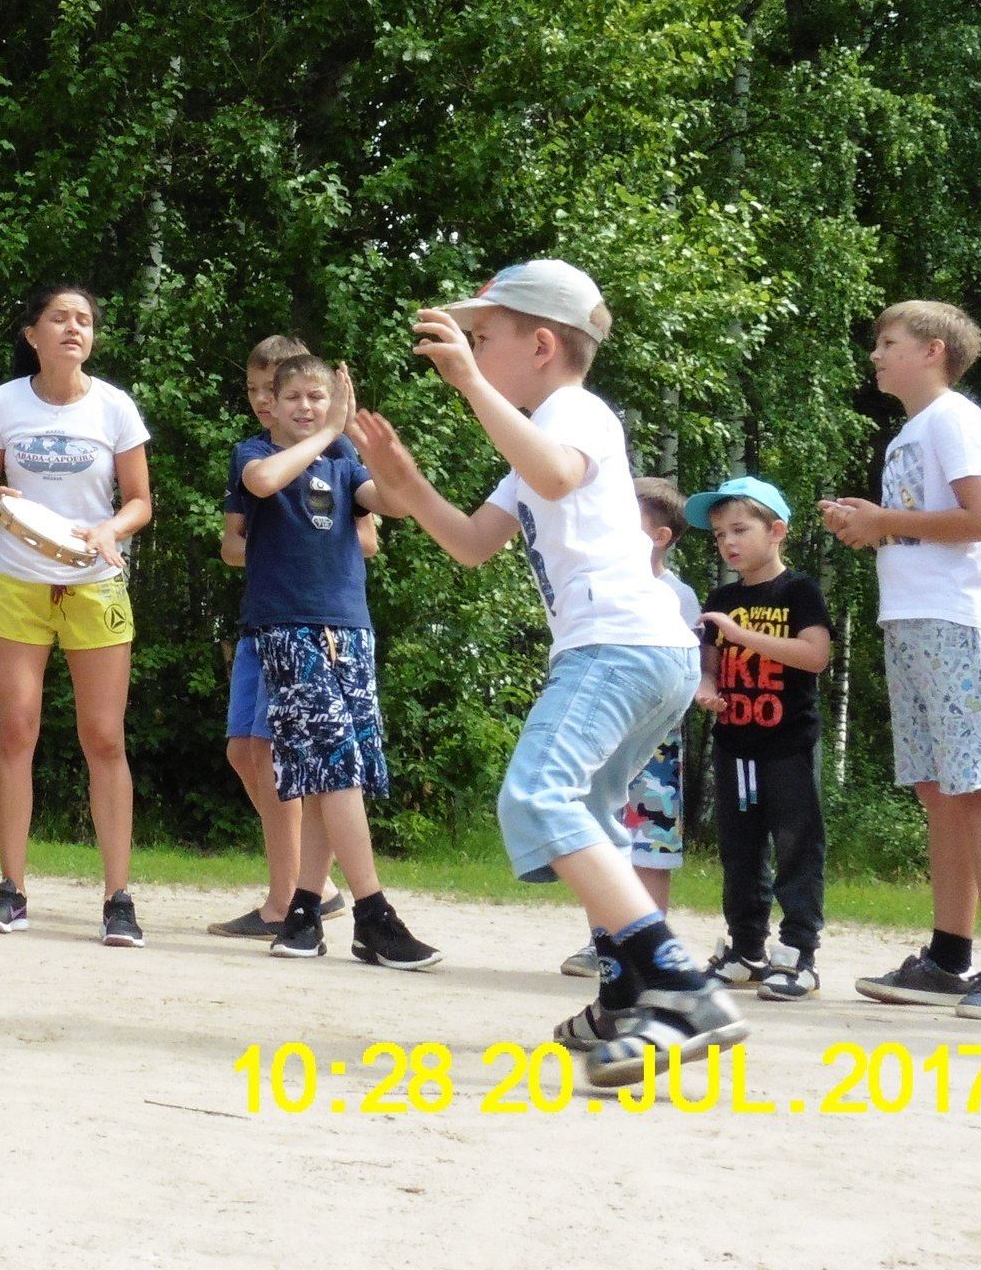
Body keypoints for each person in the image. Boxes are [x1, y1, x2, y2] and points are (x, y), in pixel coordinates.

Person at [353, 260, 746, 1088]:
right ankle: (628, 993)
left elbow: (560, 473)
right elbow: (471, 544)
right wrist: (409, 483)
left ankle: (679, 981)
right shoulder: (538, 437)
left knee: (537, 796)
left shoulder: (578, 413)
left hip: (620, 647)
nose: (469, 347)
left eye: (483, 337)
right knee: (594, 820)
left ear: (540, 344)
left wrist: (467, 383)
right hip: (639, 652)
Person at [823, 301, 981, 1021]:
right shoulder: (911, 433)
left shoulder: (954, 418)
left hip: (959, 620)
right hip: (912, 618)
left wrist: (883, 522)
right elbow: (925, 527)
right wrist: (873, 524)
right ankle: (949, 957)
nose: (876, 355)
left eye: (889, 343)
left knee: (974, 783)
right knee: (936, 789)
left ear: (934, 351)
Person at [232, 353, 439, 969]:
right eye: (292, 396)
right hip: (288, 630)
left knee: (333, 770)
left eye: (318, 399)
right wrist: (329, 431)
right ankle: (374, 912)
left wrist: (373, 446)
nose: (305, 407)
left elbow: (395, 504)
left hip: (350, 630)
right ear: (272, 399)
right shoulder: (252, 453)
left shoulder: (345, 465)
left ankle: (301, 916)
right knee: (336, 766)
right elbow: (263, 484)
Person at [0, 283, 154, 946]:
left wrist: (111, 529)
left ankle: (118, 898)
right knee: (16, 731)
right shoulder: (3, 404)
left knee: (104, 738)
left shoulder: (115, 408)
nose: (74, 328)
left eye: (84, 320)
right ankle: (11, 890)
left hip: (95, 585)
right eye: (60, 318)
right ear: (33, 335)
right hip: (17, 584)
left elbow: (140, 502)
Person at [209, 334, 348, 942]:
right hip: (260, 616)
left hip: (306, 617)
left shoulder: (334, 453)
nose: (263, 401)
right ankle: (315, 885)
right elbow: (231, 544)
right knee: (244, 753)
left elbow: (365, 538)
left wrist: (293, 536)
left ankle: (289, 897)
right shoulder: (253, 454)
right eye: (255, 389)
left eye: (276, 389)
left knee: (278, 758)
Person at [687, 475, 832, 1001]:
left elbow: (815, 655)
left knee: (796, 844)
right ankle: (746, 948)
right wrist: (707, 689)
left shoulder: (798, 590)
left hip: (786, 744)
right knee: (740, 851)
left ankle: (798, 955)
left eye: (739, 529)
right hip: (735, 744)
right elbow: (711, 665)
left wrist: (742, 633)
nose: (728, 542)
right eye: (720, 534)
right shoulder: (722, 597)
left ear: (776, 531)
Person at [558, 476, 706, 977]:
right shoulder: (604, 582)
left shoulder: (675, 594)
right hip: (605, 741)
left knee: (654, 847)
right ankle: (605, 938)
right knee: (602, 832)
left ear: (659, 537)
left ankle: (651, 941)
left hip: (656, 750)